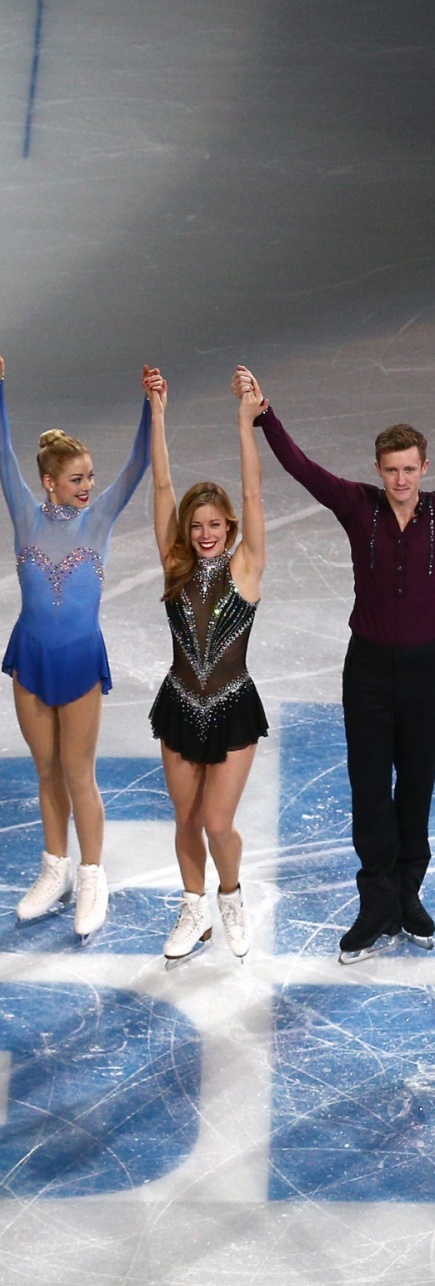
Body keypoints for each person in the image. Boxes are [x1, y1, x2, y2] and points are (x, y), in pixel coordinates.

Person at [243, 364, 435, 962]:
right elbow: (303, 470)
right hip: (366, 673)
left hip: (424, 673)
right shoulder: (357, 507)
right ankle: (375, 902)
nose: (401, 479)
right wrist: (267, 416)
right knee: (368, 789)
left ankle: (407, 893)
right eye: (391, 469)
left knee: (415, 787)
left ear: (424, 468)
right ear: (379, 470)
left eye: (410, 468)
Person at [0, 355, 152, 938]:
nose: (89, 487)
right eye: (77, 479)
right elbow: (3, 453)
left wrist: (148, 405)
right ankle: (55, 869)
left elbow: (137, 466)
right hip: (32, 657)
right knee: (45, 772)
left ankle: (92, 874)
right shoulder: (24, 516)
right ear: (49, 482)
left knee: (78, 773)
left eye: (90, 476)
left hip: (81, 660)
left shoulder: (101, 519)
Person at [146, 366, 268, 966]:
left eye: (214, 525)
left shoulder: (246, 569)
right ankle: (192, 909)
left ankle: (230, 898)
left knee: (218, 821)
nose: (204, 533)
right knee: (186, 818)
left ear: (230, 528)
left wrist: (245, 421)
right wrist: (159, 413)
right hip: (179, 704)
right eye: (196, 527)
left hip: (232, 707)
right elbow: (163, 488)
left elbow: (251, 492)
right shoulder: (176, 569)